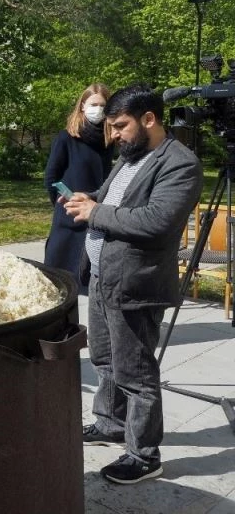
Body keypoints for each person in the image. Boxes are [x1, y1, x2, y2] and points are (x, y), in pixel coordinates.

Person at [64, 83, 202, 485]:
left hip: (136, 286)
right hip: (104, 279)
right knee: (105, 361)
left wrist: (95, 212)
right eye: (110, 127)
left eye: (120, 126)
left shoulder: (180, 163)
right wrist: (84, 198)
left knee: (136, 373)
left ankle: (144, 454)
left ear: (149, 119)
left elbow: (156, 221)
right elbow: (111, 201)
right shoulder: (129, 157)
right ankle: (109, 422)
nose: (114, 135)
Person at [44, 83, 114, 290]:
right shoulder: (66, 137)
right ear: (82, 106)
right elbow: (51, 176)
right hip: (68, 214)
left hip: (95, 214)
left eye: (103, 105)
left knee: (87, 282)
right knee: (58, 281)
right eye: (93, 104)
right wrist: (61, 204)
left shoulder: (108, 141)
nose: (98, 109)